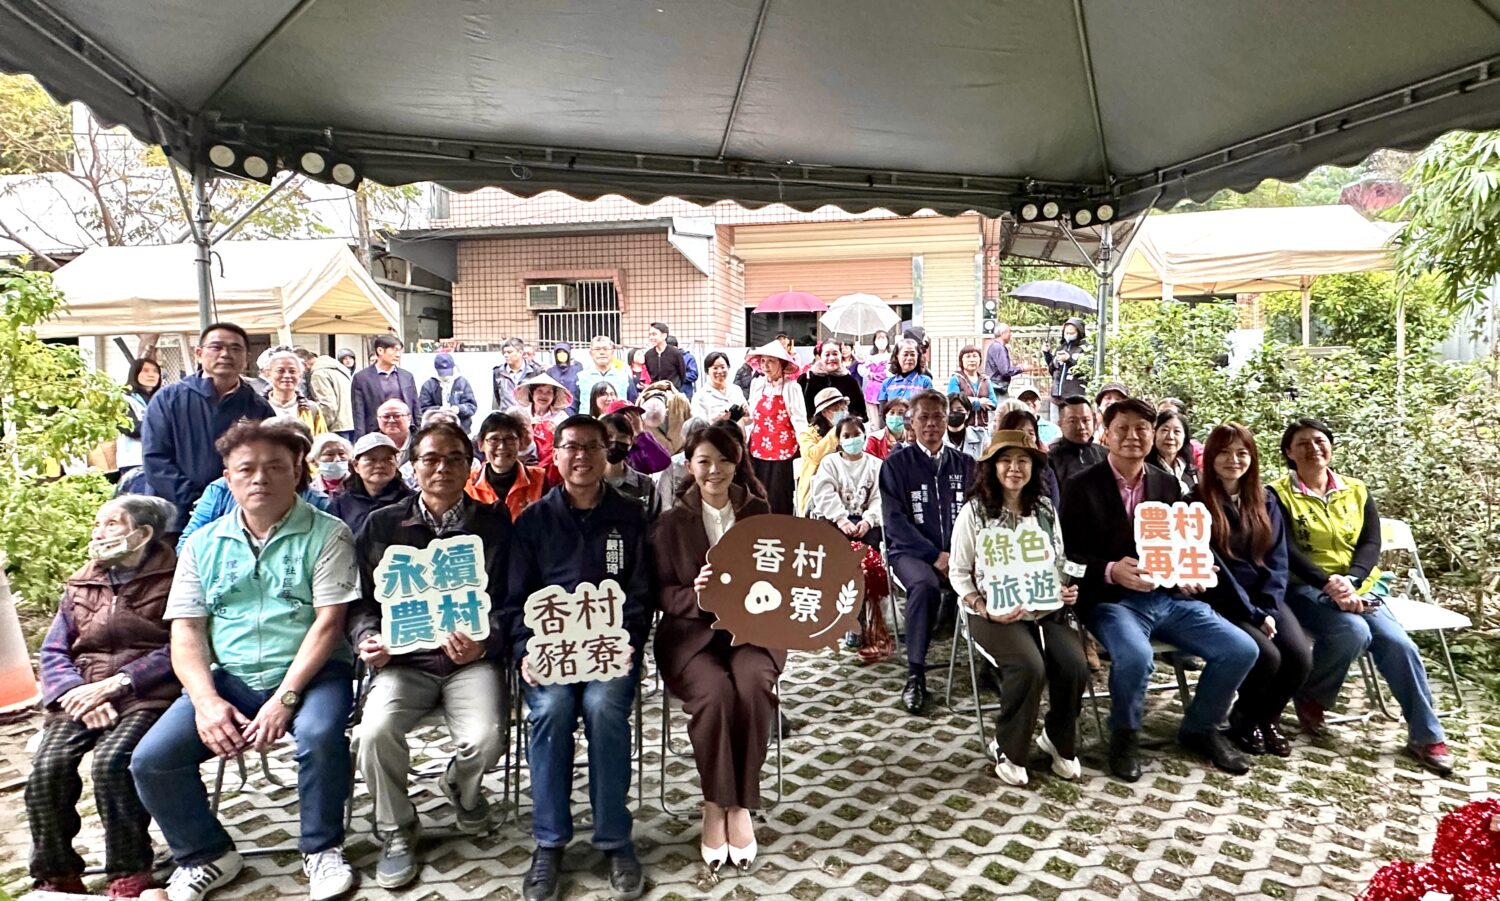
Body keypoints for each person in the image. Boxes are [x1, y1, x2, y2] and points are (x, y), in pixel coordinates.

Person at [130, 420, 357, 901]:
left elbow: (328, 624)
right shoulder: (201, 544)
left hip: (313, 675)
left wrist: (284, 698)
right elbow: (187, 631)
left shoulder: (328, 533)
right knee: (152, 760)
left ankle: (322, 848)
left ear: (298, 472)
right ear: (227, 477)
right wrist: (206, 701)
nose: (260, 479)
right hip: (230, 678)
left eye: (275, 467)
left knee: (318, 735)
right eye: (246, 469)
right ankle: (206, 854)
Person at [1059, 397, 1259, 782]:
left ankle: (1200, 729)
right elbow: (1065, 557)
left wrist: (1188, 571)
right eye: (1123, 428)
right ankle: (1125, 736)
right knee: (1134, 658)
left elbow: (1181, 543)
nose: (1132, 436)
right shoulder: (1079, 486)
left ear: (1153, 436)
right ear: (1106, 434)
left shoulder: (1168, 484)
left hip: (1167, 596)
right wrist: (1110, 571)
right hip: (1112, 602)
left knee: (1240, 649)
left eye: (1142, 429)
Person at [350, 422, 512, 888]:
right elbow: (359, 602)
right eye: (430, 459)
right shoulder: (383, 525)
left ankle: (460, 786)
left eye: (454, 459)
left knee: (485, 737)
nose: (442, 468)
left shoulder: (493, 524)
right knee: (374, 733)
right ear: (413, 465)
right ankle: (398, 829)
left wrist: (487, 641)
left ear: (470, 465)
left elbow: (510, 601)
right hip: (402, 663)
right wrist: (367, 638)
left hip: (470, 662)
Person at [504, 415, 653, 901]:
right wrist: (527, 649)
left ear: (607, 452)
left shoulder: (629, 516)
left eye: (592, 446)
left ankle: (614, 837)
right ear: (556, 453)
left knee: (604, 708)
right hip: (551, 654)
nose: (582, 456)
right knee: (550, 710)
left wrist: (627, 639)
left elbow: (640, 592)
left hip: (610, 650)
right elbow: (514, 600)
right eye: (571, 447)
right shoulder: (532, 522)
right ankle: (549, 842)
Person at [1270, 418, 1453, 774]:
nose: (1313, 448)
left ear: (1331, 446)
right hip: (1303, 588)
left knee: (1400, 645)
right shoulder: (1276, 494)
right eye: (1303, 443)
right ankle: (1311, 696)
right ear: (1288, 453)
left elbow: (1371, 542)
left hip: (1359, 587)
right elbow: (1285, 549)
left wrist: (1351, 581)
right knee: (1353, 631)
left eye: (1320, 440)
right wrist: (1329, 583)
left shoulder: (1356, 489)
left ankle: (1427, 736)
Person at [28, 495, 179, 897]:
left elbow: (181, 646)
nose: (99, 533)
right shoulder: (82, 582)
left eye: (112, 523)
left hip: (146, 694)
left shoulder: (176, 577)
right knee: (49, 768)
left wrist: (121, 683)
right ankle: (56, 874)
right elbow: (54, 651)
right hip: (82, 695)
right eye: (98, 524)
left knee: (112, 764)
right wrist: (76, 691)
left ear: (143, 533)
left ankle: (129, 871)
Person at [652, 426, 776, 873]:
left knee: (754, 685)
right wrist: (696, 596)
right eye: (704, 461)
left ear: (736, 461)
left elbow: (782, 577)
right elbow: (661, 593)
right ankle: (714, 802)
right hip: (692, 637)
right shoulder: (670, 522)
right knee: (714, 693)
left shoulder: (758, 511)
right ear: (690, 465)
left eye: (724, 460)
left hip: (753, 632)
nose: (714, 470)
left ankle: (741, 802)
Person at [949, 430, 1087, 787]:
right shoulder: (975, 512)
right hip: (991, 611)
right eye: (1006, 460)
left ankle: (1057, 737)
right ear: (992, 467)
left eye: (1023, 460)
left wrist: (1064, 589)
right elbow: (959, 572)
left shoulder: (1043, 508)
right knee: (1028, 665)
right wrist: (981, 604)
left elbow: (1057, 559)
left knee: (1074, 664)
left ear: (1034, 467)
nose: (1015, 468)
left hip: (1043, 607)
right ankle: (1008, 747)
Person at [1190, 424, 1310, 758]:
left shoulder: (1266, 499)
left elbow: (1277, 559)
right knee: (1266, 655)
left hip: (1263, 598)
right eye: (1225, 453)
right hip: (1224, 598)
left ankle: (1265, 717)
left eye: (1242, 453)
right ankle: (1243, 718)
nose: (1233, 460)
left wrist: (1269, 609)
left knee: (1299, 657)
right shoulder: (1194, 503)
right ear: (1211, 458)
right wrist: (1255, 615)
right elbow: (1214, 566)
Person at [879, 389, 976, 714]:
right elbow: (894, 522)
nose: (931, 424)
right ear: (911, 422)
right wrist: (935, 555)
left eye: (938, 416)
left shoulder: (965, 464)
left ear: (948, 420)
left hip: (959, 554)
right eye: (924, 417)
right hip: (911, 553)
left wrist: (959, 556)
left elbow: (977, 515)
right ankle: (916, 674)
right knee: (924, 586)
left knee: (992, 577)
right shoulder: (896, 465)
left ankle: (993, 664)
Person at [143, 322, 274, 529]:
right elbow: (155, 459)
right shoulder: (168, 399)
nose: (225, 354)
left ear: (246, 356)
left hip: (237, 516)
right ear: (199, 353)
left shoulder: (258, 407)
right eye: (216, 347)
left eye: (235, 348)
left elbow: (268, 460)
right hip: (176, 515)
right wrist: (199, 499)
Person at [175, 419, 331, 550]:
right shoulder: (220, 490)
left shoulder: (317, 500)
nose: (260, 479)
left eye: (295, 448)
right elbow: (186, 545)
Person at [744, 340, 808, 516]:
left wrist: (806, 447)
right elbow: (752, 414)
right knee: (758, 491)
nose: (765, 366)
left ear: (782, 363)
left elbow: (799, 420)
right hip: (757, 448)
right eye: (763, 361)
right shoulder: (757, 384)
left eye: (771, 361)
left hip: (784, 451)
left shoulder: (792, 388)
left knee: (780, 495)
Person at [810, 415, 882, 547]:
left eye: (856, 434)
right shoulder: (829, 463)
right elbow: (824, 495)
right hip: (833, 520)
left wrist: (868, 521)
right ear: (839, 440)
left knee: (870, 552)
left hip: (866, 523)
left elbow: (879, 497)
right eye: (846, 436)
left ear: (864, 436)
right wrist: (842, 520)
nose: (852, 439)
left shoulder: (877, 465)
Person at [329, 433, 414, 537]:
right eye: (371, 460)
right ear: (356, 465)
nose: (380, 465)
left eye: (387, 459)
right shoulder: (341, 504)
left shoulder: (412, 501)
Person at [466, 411, 546, 520]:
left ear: (520, 444)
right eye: (494, 439)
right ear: (481, 445)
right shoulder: (467, 482)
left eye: (510, 439)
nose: (502, 446)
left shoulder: (540, 478)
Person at [796, 387, 850, 515]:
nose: (842, 413)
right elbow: (814, 456)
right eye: (837, 410)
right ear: (825, 413)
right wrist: (835, 432)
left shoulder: (849, 430)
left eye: (843, 409)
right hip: (816, 491)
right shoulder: (807, 433)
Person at [352, 335, 417, 438]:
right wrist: (361, 440)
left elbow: (415, 407)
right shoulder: (362, 378)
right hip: (376, 433)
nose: (398, 355)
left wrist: (419, 433)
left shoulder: (407, 376)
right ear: (380, 350)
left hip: (405, 432)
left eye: (399, 351)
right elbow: (358, 413)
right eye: (394, 350)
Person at [996, 409, 1062, 512]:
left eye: (1031, 433)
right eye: (1020, 432)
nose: (1026, 437)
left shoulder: (1045, 469)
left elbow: (1054, 509)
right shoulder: (991, 466)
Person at [601, 411, 662, 520]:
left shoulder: (646, 485)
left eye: (622, 436)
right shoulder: (586, 481)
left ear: (631, 442)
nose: (615, 441)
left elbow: (657, 526)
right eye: (609, 436)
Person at [260, 347, 328, 436]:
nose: (287, 375)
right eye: (280, 371)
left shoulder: (311, 409)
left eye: (292, 371)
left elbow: (321, 442)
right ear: (268, 373)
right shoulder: (257, 408)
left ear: (300, 375)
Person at [1047, 396, 1106, 494]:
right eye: (1073, 421)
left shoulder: (1105, 455)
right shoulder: (1051, 460)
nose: (1081, 427)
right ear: (1060, 424)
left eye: (1086, 420)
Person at [514, 373, 573, 470]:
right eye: (539, 391)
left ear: (554, 396)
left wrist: (557, 431)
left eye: (549, 392)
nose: (543, 395)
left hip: (552, 465)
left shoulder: (561, 417)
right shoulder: (521, 414)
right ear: (531, 393)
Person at [800, 340, 867, 423]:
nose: (831, 358)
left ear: (841, 355)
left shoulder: (850, 381)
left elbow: (859, 413)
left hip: (841, 432)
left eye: (835, 354)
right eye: (827, 354)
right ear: (820, 356)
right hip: (812, 433)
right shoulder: (807, 379)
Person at [117, 358, 162, 479]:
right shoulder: (123, 399)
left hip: (161, 460)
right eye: (145, 371)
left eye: (155, 371)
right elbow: (132, 429)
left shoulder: (163, 399)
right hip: (134, 461)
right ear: (135, 374)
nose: (151, 375)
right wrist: (164, 427)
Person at [604, 400, 673, 476]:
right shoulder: (601, 446)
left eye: (636, 417)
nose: (632, 423)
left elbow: (664, 462)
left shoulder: (641, 449)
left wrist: (640, 434)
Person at [300, 347, 355, 441]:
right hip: (349, 423)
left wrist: (320, 425)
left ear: (304, 365)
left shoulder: (319, 374)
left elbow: (328, 405)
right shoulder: (338, 368)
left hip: (335, 427)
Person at [418, 352, 478, 434]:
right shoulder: (428, 385)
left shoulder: (462, 383)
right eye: (442, 373)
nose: (445, 376)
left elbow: (472, 406)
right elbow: (422, 408)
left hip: (461, 430)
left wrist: (458, 409)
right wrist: (438, 410)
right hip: (435, 430)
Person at [1044, 318, 1089, 417]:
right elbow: (1053, 369)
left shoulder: (1084, 349)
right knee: (1056, 425)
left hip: (1073, 396)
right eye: (1066, 332)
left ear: (1079, 332)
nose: (1068, 335)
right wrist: (1047, 354)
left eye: (1071, 332)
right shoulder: (1061, 347)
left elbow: (1085, 372)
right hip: (1057, 395)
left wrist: (1069, 360)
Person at [1146, 409, 1199, 492]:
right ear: (1154, 433)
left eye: (1177, 431)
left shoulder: (1191, 471)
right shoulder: (1145, 469)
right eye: (1164, 430)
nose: (1170, 436)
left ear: (1185, 437)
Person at [637, 380, 695, 454]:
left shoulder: (680, 402)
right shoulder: (637, 415)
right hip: (658, 460)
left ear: (666, 412)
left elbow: (692, 429)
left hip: (683, 455)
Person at [691, 351, 748, 425]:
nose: (720, 371)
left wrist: (746, 413)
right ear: (707, 371)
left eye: (723, 367)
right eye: (715, 368)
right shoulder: (700, 396)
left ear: (728, 367)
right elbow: (698, 426)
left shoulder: (736, 390)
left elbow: (748, 421)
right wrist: (718, 420)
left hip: (736, 435)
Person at [947, 345, 998, 428]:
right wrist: (979, 402)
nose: (972, 360)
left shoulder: (985, 380)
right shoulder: (956, 379)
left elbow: (994, 403)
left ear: (980, 360)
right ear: (961, 360)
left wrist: (968, 400)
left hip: (983, 427)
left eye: (975, 356)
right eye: (968, 357)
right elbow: (954, 401)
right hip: (963, 427)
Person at [577, 336, 632, 409]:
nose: (602, 352)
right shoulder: (581, 377)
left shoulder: (624, 377)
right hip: (588, 420)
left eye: (606, 349)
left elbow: (632, 403)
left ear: (612, 352)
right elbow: (572, 405)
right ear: (590, 353)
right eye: (597, 349)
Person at [492, 338, 542, 413]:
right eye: (504, 352)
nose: (506, 355)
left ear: (521, 352)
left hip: (529, 417)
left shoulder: (535, 371)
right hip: (506, 418)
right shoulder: (498, 372)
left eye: (509, 352)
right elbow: (497, 396)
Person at [877, 338, 933, 403]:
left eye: (912, 355)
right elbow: (882, 412)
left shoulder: (925, 382)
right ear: (897, 356)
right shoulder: (887, 383)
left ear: (918, 356)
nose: (909, 358)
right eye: (905, 354)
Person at [982, 325, 1024, 396]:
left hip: (996, 385)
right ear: (1002, 333)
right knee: (1003, 406)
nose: (1010, 334)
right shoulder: (998, 347)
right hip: (998, 386)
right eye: (1009, 332)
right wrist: (1021, 368)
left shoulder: (996, 346)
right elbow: (1005, 371)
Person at [308, 433, 353, 498]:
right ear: (314, 461)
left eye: (341, 453)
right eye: (329, 454)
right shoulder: (309, 489)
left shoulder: (360, 486)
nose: (337, 459)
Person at [643, 322, 687, 389]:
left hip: (673, 392)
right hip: (655, 392)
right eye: (650, 335)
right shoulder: (648, 355)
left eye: (654, 334)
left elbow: (682, 374)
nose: (651, 337)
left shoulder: (675, 353)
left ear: (664, 335)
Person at [944, 394, 988, 458]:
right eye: (950, 411)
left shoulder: (981, 436)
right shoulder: (936, 439)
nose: (954, 413)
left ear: (968, 413)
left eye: (959, 410)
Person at [545, 342, 583, 413]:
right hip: (555, 410)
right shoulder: (550, 371)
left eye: (564, 352)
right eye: (559, 353)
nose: (562, 355)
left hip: (574, 407)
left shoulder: (577, 369)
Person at [665, 334, 699, 400]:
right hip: (669, 395)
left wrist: (677, 377)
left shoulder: (688, 357)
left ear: (675, 347)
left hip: (684, 394)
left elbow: (693, 374)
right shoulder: (664, 359)